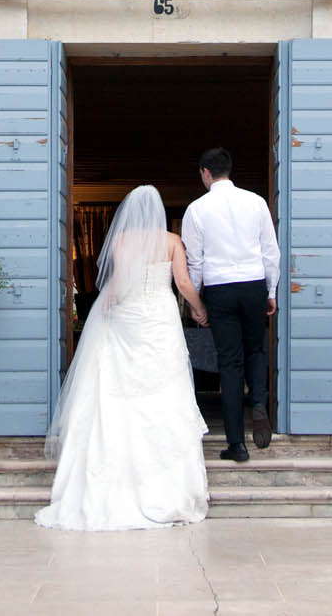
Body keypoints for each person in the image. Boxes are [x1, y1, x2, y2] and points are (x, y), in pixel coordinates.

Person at [35, 184, 210, 530]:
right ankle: (166, 479)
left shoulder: (123, 240)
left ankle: (116, 469)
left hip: (129, 315)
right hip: (160, 316)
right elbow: (184, 283)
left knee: (119, 386)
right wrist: (200, 309)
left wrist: (105, 309)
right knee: (165, 386)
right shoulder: (173, 241)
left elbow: (115, 286)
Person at [180, 147, 280, 462]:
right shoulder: (256, 202)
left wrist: (195, 303)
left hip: (220, 287)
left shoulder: (196, 209)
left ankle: (236, 444)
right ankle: (260, 403)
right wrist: (271, 290)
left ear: (205, 173)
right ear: (229, 170)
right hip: (253, 284)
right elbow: (270, 251)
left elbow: (195, 262)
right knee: (256, 349)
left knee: (229, 363)